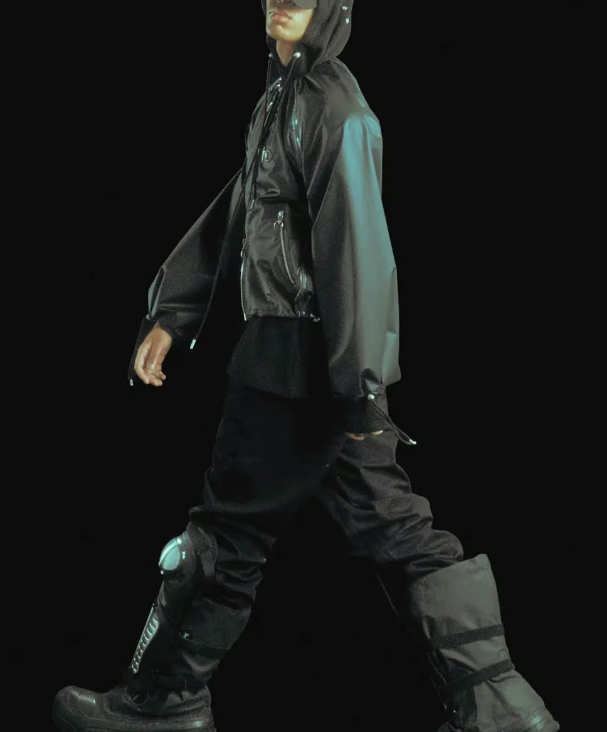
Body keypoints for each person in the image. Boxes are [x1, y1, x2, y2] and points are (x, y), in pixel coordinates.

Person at [52, 2, 560, 731]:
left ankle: (166, 703)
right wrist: (175, 311)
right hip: (311, 363)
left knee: (224, 537)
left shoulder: (333, 106)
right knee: (397, 532)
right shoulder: (284, 100)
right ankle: (504, 712)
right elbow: (242, 210)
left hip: (297, 363)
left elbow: (358, 248)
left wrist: (360, 387)